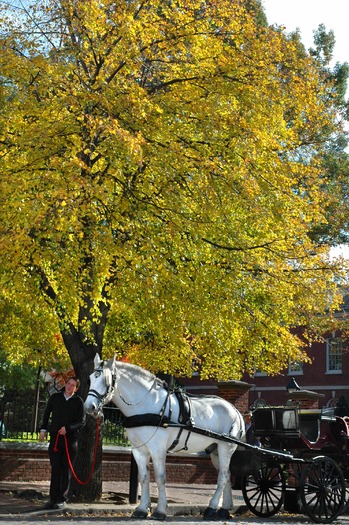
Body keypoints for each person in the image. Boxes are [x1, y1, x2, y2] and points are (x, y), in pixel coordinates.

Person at [39, 376, 85, 510]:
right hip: (55, 440)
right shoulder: (55, 398)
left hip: (70, 441)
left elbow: (82, 422)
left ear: (76, 389)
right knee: (55, 469)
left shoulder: (78, 402)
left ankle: (61, 499)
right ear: (65, 384)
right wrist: (43, 429)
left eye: (73, 385)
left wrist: (68, 429)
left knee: (66, 470)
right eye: (68, 384)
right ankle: (52, 498)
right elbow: (46, 414)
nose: (70, 386)